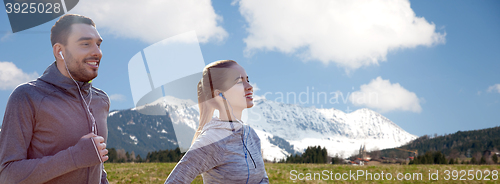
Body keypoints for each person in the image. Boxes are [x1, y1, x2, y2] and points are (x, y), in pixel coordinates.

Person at [0, 14, 109, 183]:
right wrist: (74, 157)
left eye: (98, 44)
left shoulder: (101, 100)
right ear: (60, 51)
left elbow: (96, 166)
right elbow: (7, 175)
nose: (97, 52)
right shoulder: (27, 97)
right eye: (85, 44)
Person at [165, 60, 269, 183]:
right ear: (220, 94)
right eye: (240, 82)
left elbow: (263, 179)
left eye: (247, 80)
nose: (250, 87)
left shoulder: (251, 135)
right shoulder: (213, 140)